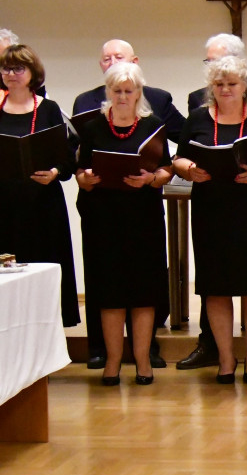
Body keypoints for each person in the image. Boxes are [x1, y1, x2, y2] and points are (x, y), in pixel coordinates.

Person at [171, 56, 247, 384]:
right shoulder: (197, 117)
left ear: (244, 86)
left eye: (231, 84)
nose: (225, 89)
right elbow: (179, 157)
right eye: (219, 84)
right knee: (216, 288)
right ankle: (225, 359)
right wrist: (189, 170)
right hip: (212, 209)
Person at [73, 39, 184, 371]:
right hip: (103, 217)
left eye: (129, 91)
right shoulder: (92, 128)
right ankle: (111, 362)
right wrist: (84, 178)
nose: (122, 97)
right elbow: (79, 168)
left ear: (139, 93)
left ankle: (142, 361)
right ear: (108, 92)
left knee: (143, 291)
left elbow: (165, 168)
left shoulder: (152, 126)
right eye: (117, 91)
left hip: (142, 217)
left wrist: (151, 179)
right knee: (109, 291)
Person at [0, 44, 79, 327]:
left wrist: (55, 171)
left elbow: (70, 159)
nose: (12, 73)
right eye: (6, 68)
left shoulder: (48, 109)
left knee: (43, 275)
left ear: (33, 73)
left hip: (43, 207)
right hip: (4, 208)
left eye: (19, 67)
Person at [186, 33, 247, 112]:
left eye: (216, 61)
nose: (211, 66)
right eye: (209, 61)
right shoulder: (197, 98)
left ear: (237, 60)